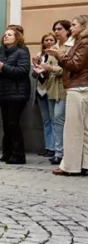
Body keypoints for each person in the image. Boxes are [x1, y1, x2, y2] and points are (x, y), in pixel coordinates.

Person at [48, 15, 88, 176]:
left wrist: (59, 55)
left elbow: (75, 65)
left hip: (78, 87)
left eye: (74, 25)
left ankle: (70, 166)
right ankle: (84, 164)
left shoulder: (83, 43)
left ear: (83, 26)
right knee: (84, 129)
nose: (71, 28)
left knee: (72, 129)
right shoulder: (81, 42)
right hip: (82, 87)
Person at [0, 28, 31, 164]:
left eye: (9, 35)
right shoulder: (0, 51)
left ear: (17, 38)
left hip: (17, 93)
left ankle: (18, 155)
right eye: (5, 35)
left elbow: (23, 70)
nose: (5, 37)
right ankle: (7, 152)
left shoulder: (22, 51)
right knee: (6, 124)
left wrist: (4, 68)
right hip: (3, 92)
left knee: (13, 123)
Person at [46, 20, 73, 165]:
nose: (56, 31)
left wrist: (52, 69)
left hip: (64, 86)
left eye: (59, 29)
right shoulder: (54, 47)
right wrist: (42, 67)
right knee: (54, 120)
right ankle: (58, 151)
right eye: (55, 29)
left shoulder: (71, 46)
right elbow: (49, 65)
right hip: (51, 87)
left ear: (67, 30)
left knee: (59, 118)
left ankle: (61, 152)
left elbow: (68, 67)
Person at [31, 33, 57, 157]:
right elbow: (34, 76)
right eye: (46, 40)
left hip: (52, 90)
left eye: (51, 40)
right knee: (46, 121)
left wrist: (47, 69)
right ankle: (47, 147)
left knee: (54, 120)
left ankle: (54, 147)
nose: (48, 42)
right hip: (41, 90)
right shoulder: (39, 56)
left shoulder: (57, 55)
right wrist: (36, 68)